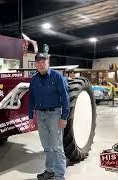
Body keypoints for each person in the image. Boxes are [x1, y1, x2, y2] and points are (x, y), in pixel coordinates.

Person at [29, 52, 70, 180]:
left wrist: (64, 117)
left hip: (54, 114)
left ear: (48, 63)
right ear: (35, 64)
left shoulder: (57, 77)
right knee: (46, 146)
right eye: (39, 62)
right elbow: (31, 99)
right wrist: (31, 117)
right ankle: (50, 170)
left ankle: (59, 175)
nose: (41, 65)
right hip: (40, 115)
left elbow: (65, 97)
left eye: (44, 62)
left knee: (57, 146)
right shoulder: (34, 79)